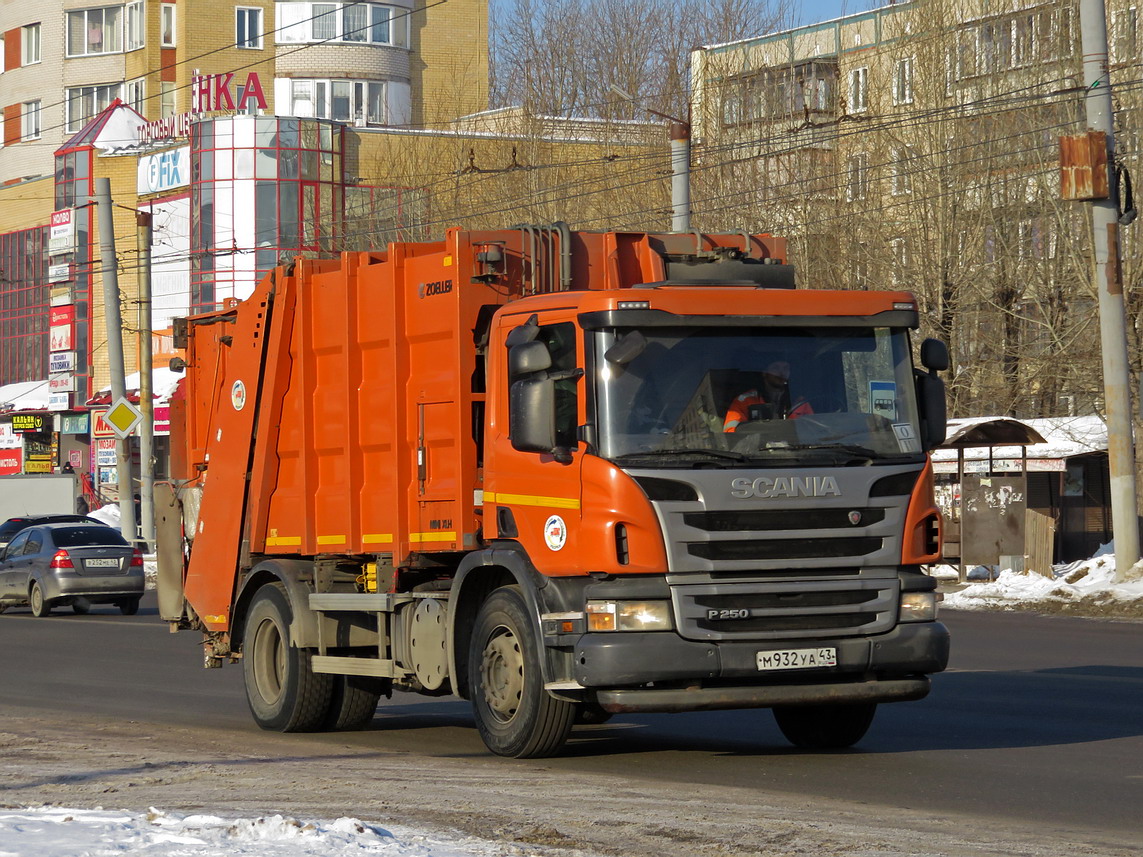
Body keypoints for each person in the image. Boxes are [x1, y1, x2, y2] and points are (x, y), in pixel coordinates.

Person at [723, 360, 813, 432]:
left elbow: (814, 431)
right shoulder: (745, 401)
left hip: (796, 452)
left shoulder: (799, 402)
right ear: (764, 372)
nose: (781, 373)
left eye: (786, 368)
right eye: (775, 368)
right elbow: (731, 433)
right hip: (756, 453)